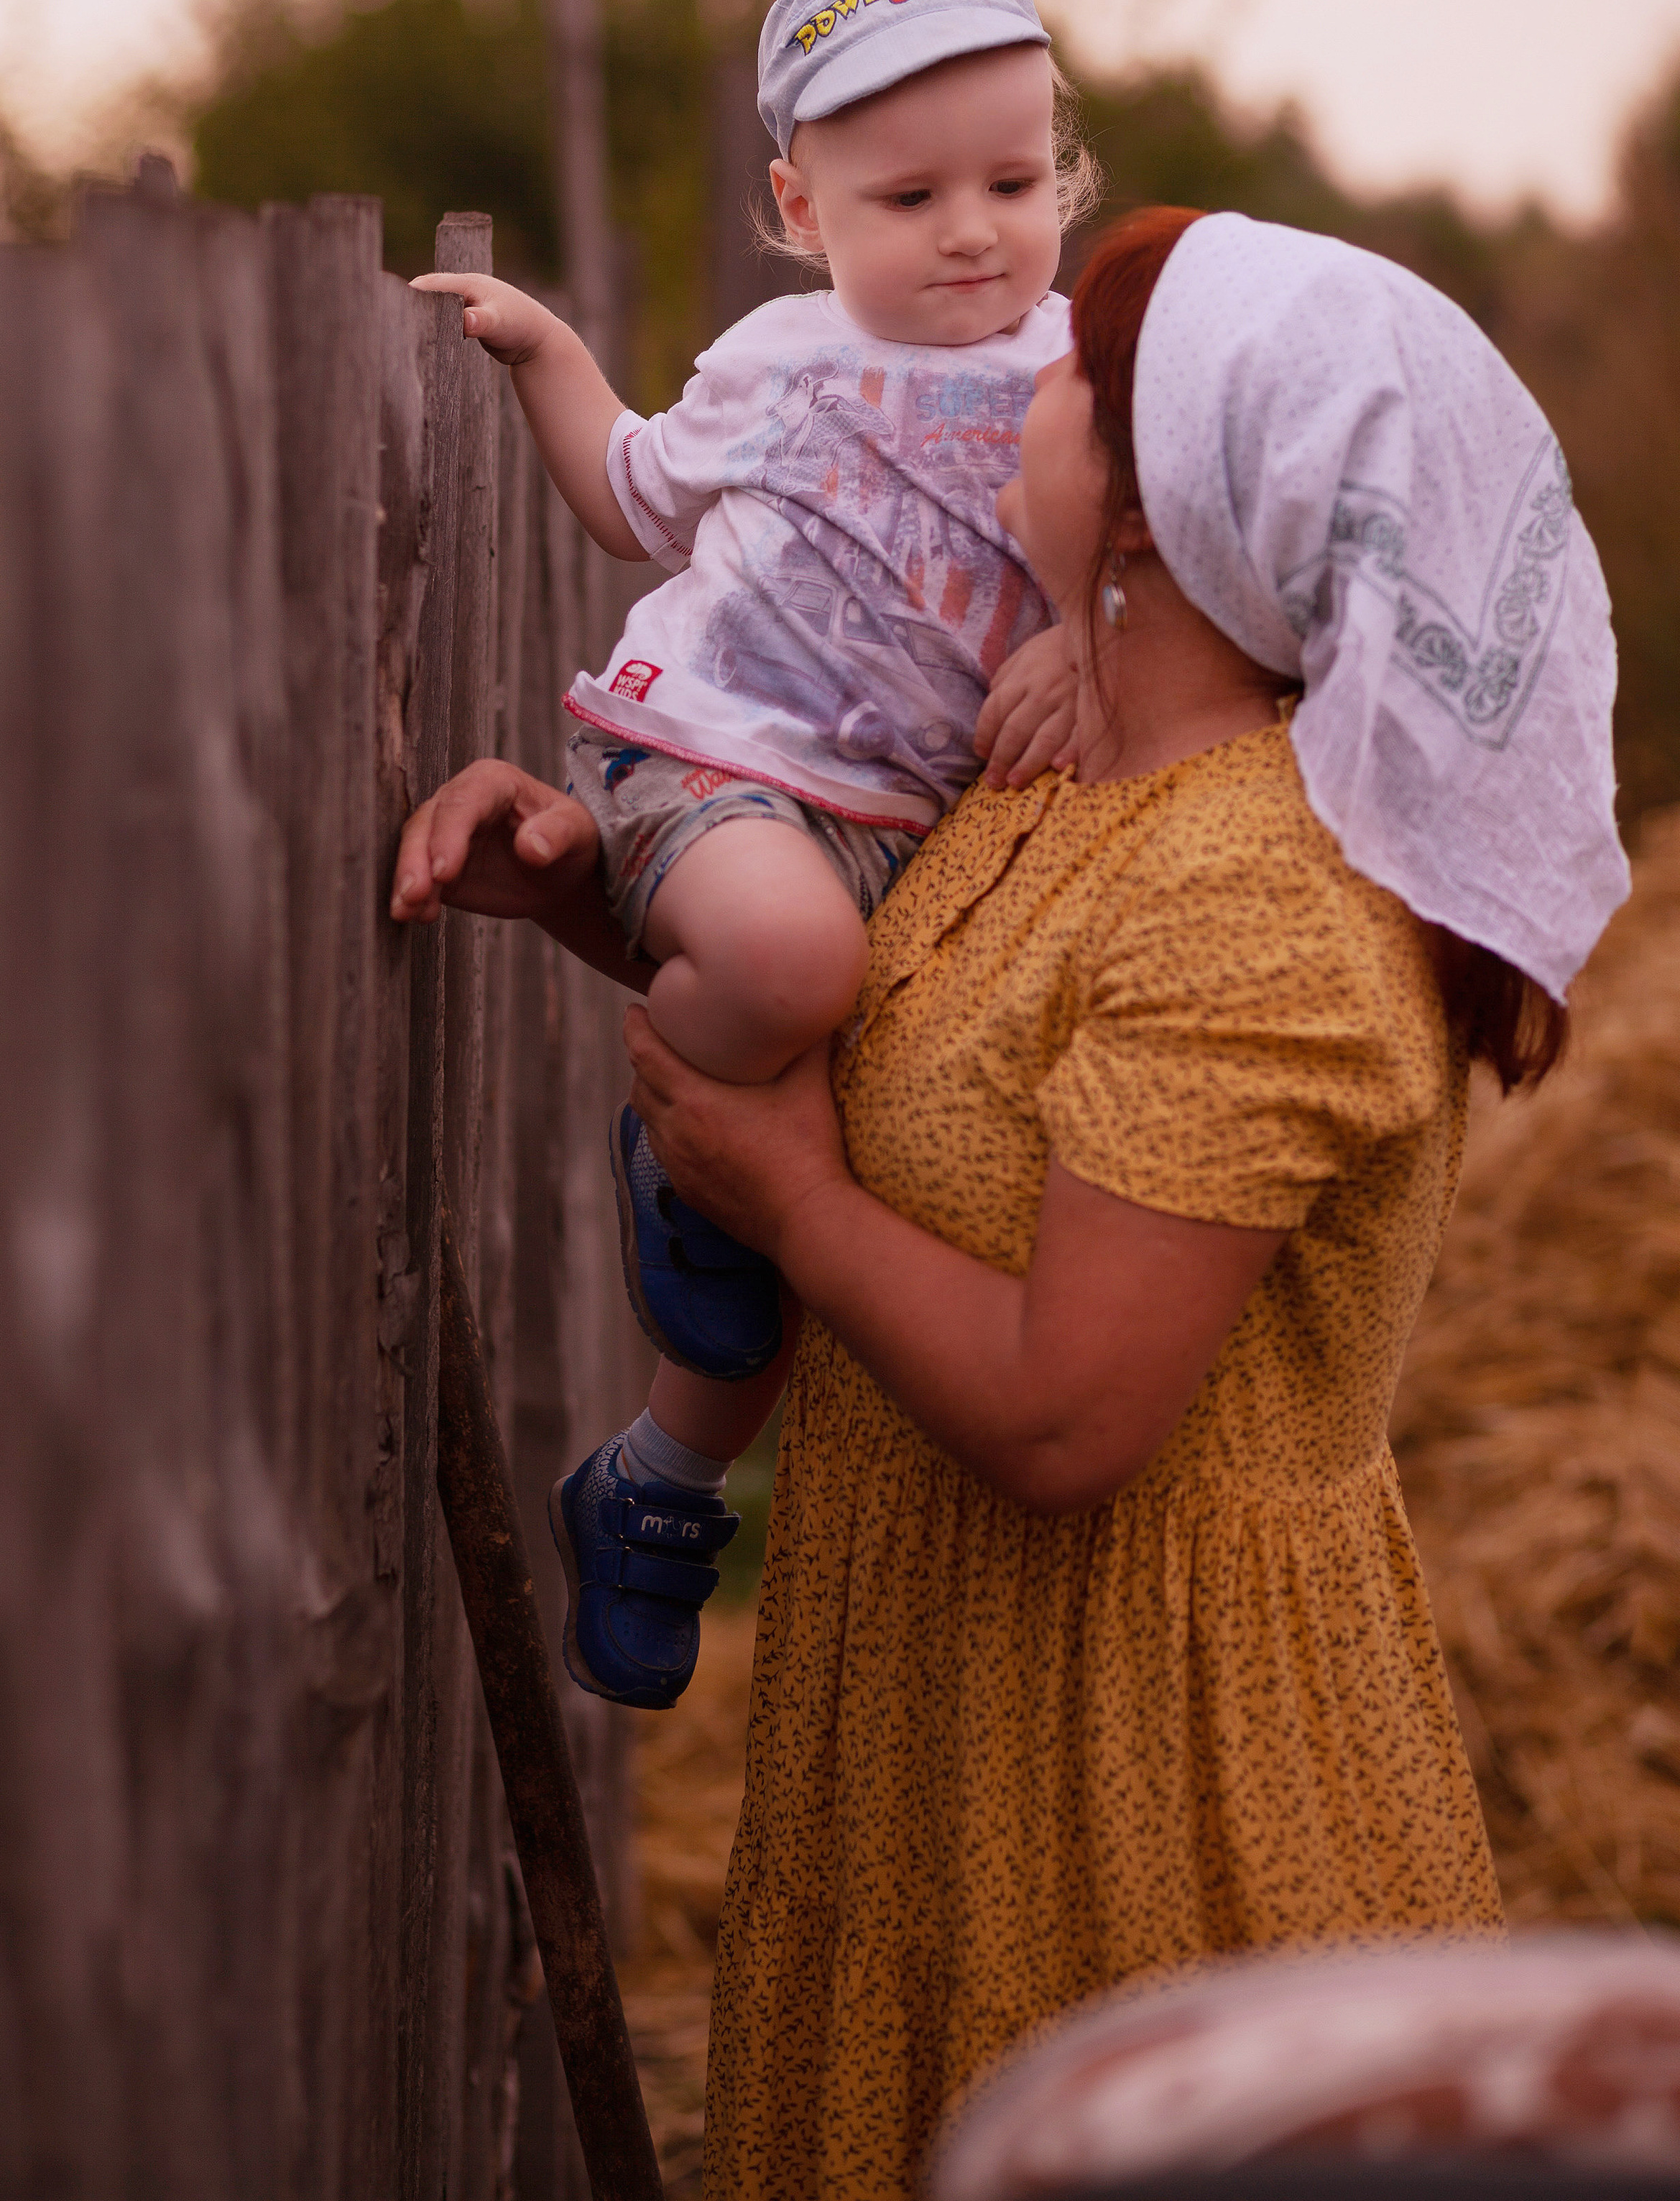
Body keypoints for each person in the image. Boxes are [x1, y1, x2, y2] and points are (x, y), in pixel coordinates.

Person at [393, 203, 1630, 2200]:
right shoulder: (1058, 776)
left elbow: (1069, 1417)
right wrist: (584, 895)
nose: (1017, 389)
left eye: (1067, 377)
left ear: (1146, 508)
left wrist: (783, 1203)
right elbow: (919, 1040)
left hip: (1145, 1765)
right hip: (935, 1703)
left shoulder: (1257, 903)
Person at [408, 0, 1093, 1709]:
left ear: (1063, 174)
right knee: (786, 979)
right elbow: (632, 497)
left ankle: (658, 1479)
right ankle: (680, 1125)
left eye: (1014, 183)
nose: (970, 229)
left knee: (836, 1180)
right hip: (716, 765)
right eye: (909, 193)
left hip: (907, 826)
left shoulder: (1090, 377)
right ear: (801, 205)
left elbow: (1174, 566)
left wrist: (1090, 654)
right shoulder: (780, 362)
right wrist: (550, 352)